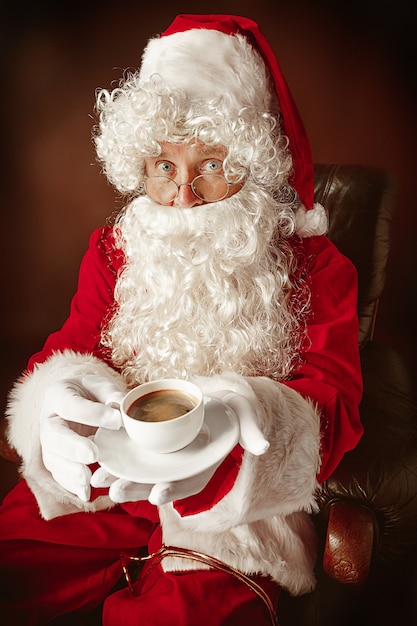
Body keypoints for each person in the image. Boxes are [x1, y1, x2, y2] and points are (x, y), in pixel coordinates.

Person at [0, 13, 363, 626]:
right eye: (165, 166)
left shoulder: (316, 265)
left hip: (239, 510)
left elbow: (335, 407)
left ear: (251, 164)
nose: (184, 194)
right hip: (107, 482)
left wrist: (258, 417)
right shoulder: (114, 250)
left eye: (212, 165)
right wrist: (55, 409)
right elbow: (67, 350)